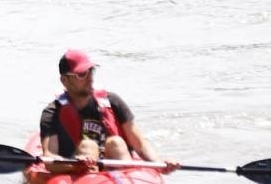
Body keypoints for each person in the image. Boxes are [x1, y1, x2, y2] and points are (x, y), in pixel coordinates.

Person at [36, 50, 178, 176]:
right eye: (82, 74)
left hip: (116, 164)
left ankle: (125, 178)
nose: (90, 77)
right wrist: (75, 164)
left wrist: (160, 164)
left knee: (116, 142)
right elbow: (50, 158)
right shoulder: (52, 113)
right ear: (65, 80)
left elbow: (140, 145)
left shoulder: (112, 102)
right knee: (88, 146)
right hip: (81, 170)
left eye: (91, 71)